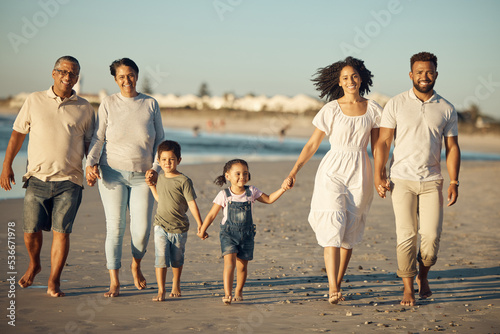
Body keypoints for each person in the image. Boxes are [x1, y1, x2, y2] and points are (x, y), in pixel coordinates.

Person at [282, 57, 381, 304]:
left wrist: (382, 175)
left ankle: (338, 278)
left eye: (354, 76)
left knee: (350, 230)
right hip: (333, 169)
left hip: (361, 171)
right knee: (333, 225)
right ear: (339, 82)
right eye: (345, 78)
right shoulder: (331, 109)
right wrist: (294, 171)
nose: (350, 81)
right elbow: (313, 144)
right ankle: (333, 287)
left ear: (362, 78)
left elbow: (379, 146)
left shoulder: (374, 109)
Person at [0, 56, 95, 297]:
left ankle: (54, 281)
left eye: (73, 73)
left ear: (77, 78)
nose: (67, 76)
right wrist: (7, 165)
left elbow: (90, 146)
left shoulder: (85, 108)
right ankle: (35, 264)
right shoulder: (34, 100)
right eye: (63, 71)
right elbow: (17, 135)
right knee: (30, 231)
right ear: (53, 73)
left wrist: (92, 167)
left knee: (62, 232)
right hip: (37, 178)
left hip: (70, 181)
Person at [373, 51, 460, 306]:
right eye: (419, 72)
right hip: (401, 180)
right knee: (406, 235)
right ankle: (408, 287)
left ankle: (423, 274)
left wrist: (454, 181)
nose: (424, 76)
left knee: (431, 237)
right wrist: (380, 175)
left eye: (429, 71)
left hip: (432, 180)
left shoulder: (446, 108)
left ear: (436, 74)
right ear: (411, 74)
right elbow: (384, 141)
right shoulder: (396, 103)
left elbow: (452, 148)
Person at [85, 58, 164, 297]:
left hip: (144, 176)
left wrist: (156, 168)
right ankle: (114, 281)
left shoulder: (150, 103)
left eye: (130, 75)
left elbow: (160, 140)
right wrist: (90, 164)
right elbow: (98, 138)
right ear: (115, 79)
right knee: (115, 228)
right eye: (121, 76)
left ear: (137, 75)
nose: (126, 80)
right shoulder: (108, 103)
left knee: (141, 231)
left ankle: (135, 264)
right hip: (111, 173)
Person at [197, 159, 287, 304]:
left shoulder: (251, 191)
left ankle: (238, 290)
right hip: (228, 234)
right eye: (237, 173)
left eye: (245, 173)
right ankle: (227, 294)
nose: (242, 177)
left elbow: (269, 199)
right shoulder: (224, 194)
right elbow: (212, 215)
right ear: (228, 176)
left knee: (242, 267)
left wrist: (283, 188)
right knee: (229, 263)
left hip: (247, 235)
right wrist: (202, 229)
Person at [148, 140, 204, 301]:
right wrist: (152, 186)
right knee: (160, 258)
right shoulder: (160, 178)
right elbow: (160, 199)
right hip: (160, 224)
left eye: (171, 159)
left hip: (179, 227)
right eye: (164, 159)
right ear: (158, 161)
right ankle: (161, 290)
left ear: (179, 160)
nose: (167, 163)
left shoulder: (184, 181)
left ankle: (176, 283)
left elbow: (192, 204)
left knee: (177, 259)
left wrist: (200, 224)